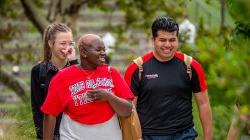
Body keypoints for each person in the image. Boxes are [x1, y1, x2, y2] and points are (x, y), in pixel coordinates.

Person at [124, 16, 212, 140]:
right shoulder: (137, 68)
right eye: (162, 40)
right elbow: (129, 109)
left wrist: (208, 138)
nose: (168, 45)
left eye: (172, 40)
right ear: (153, 40)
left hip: (184, 134)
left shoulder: (191, 66)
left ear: (177, 40)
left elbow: (203, 104)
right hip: (148, 135)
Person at [41, 34, 134, 140]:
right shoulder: (62, 77)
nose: (103, 53)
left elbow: (127, 111)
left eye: (104, 50)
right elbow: (50, 113)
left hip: (109, 134)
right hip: (73, 136)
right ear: (84, 52)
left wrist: (109, 97)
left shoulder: (111, 73)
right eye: (98, 50)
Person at [31, 23, 77, 139]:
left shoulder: (77, 68)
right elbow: (37, 109)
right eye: (63, 43)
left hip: (75, 135)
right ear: (51, 43)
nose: (67, 48)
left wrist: (74, 63)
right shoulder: (38, 71)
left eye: (70, 43)